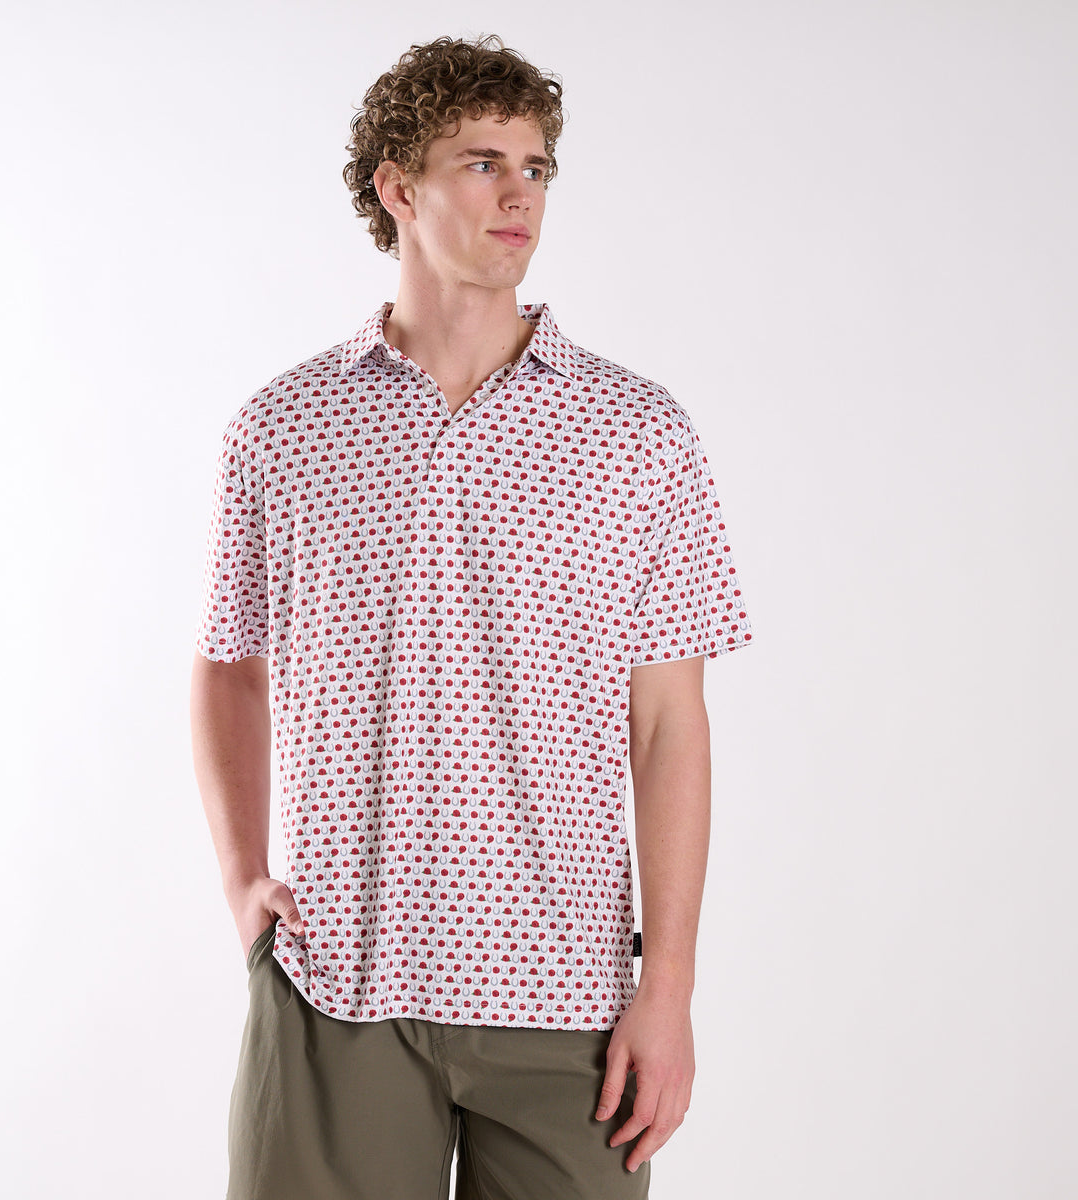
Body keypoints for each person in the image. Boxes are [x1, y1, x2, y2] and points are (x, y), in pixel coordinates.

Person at [190, 32, 753, 1200]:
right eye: (483, 161)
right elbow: (227, 664)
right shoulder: (283, 429)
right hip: (337, 984)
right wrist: (247, 880)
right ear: (399, 187)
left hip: (568, 1003)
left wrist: (671, 987)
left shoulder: (642, 435)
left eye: (538, 168)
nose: (521, 193)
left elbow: (670, 728)